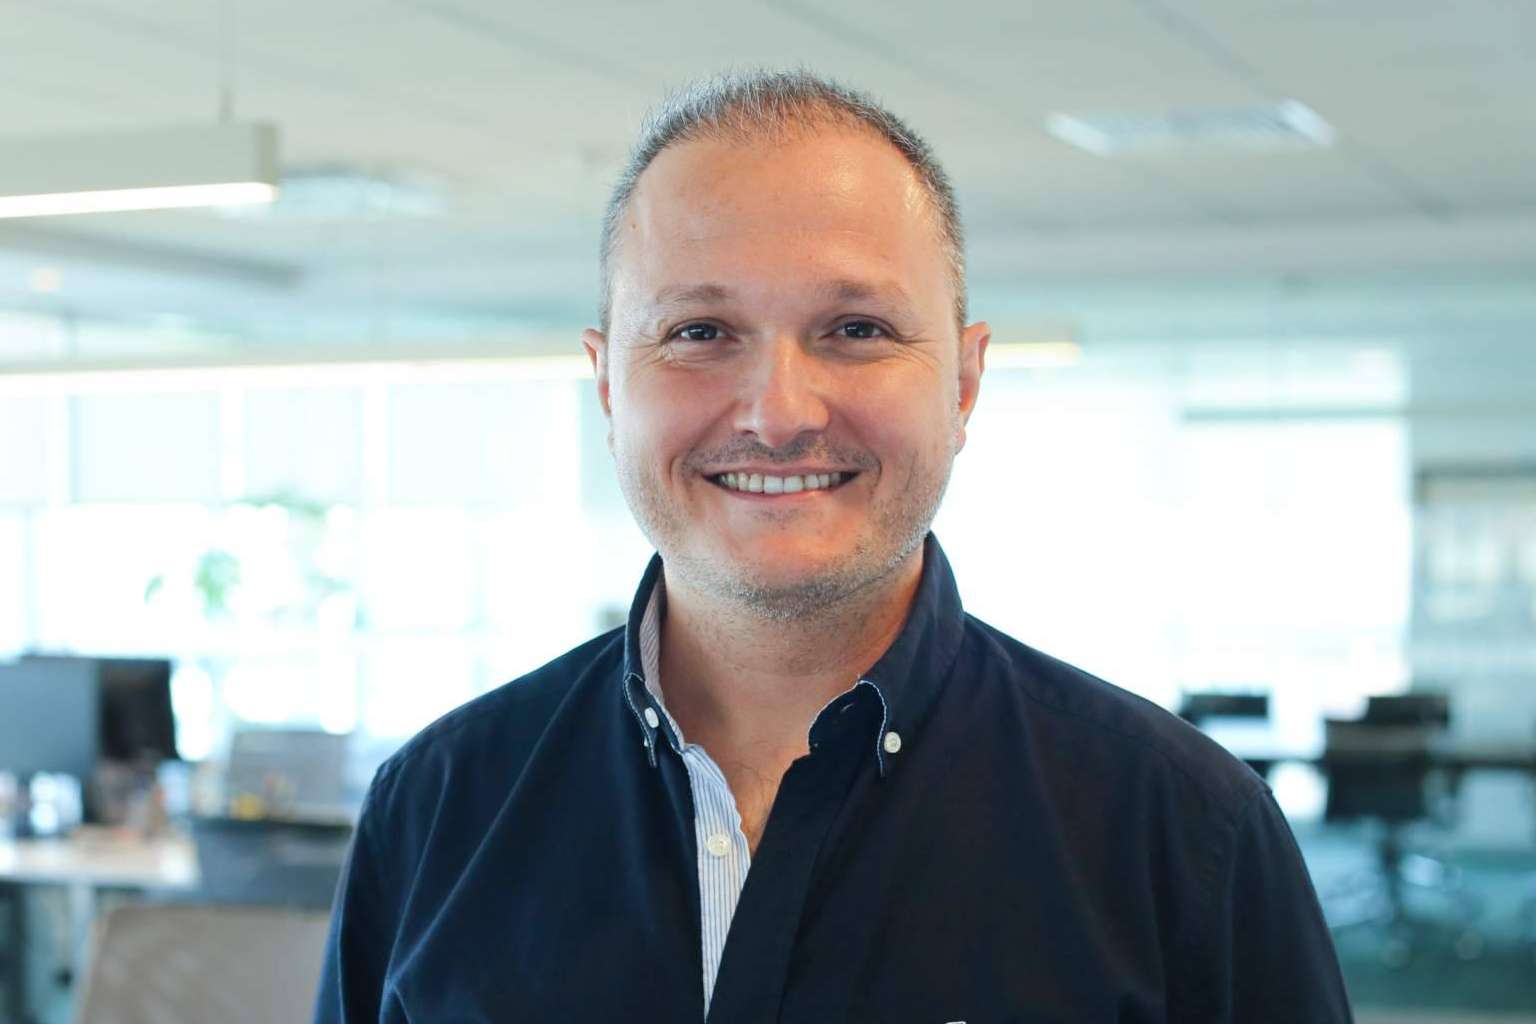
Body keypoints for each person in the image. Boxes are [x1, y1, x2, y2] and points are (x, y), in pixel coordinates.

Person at [315, 71, 1353, 1023]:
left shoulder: (1182, 832)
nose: (777, 413)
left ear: (963, 384)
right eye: (699, 332)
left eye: (856, 329)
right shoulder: (437, 807)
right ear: (606, 385)